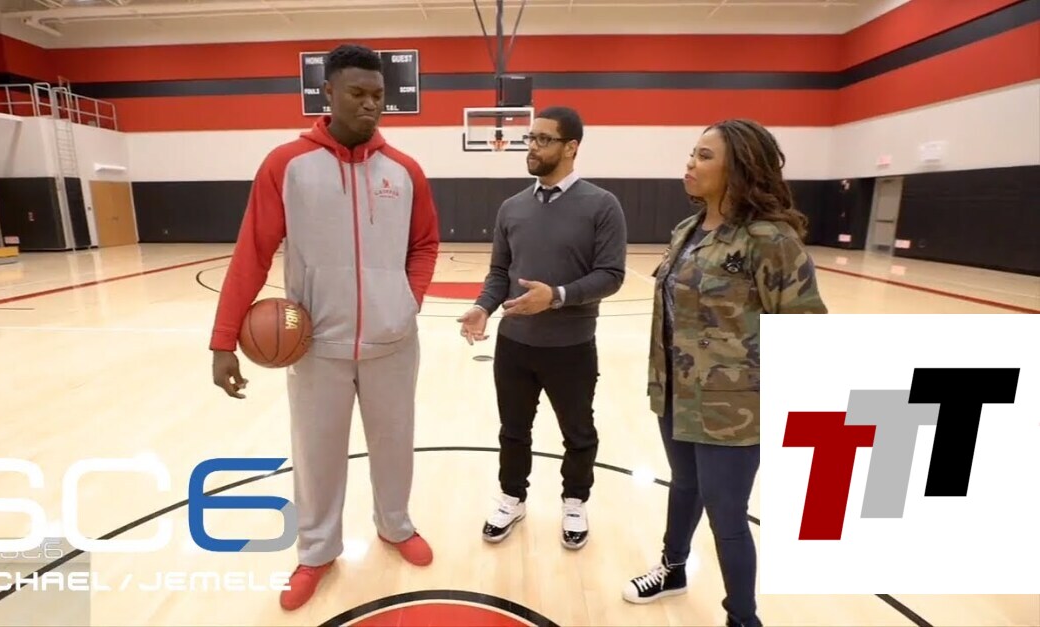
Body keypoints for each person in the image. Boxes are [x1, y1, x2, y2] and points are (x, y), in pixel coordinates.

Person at [208, 43, 441, 612]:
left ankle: (395, 525)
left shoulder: (405, 171)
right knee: (316, 456)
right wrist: (223, 340)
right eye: (357, 93)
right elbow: (251, 253)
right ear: (327, 94)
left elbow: (425, 244)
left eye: (378, 95)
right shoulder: (287, 165)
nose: (370, 104)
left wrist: (405, 302)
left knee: (395, 444)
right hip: (315, 346)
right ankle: (316, 552)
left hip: (393, 342)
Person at [621, 119, 827, 627]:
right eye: (693, 153)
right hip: (676, 392)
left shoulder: (770, 240)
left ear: (739, 168)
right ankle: (672, 570)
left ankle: (742, 618)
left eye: (704, 155)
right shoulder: (685, 231)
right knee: (684, 486)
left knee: (727, 515)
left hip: (733, 408)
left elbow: (805, 329)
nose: (690, 163)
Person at [458, 106, 627, 550]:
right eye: (530, 139)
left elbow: (611, 275)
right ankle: (512, 497)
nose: (532, 147)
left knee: (579, 433)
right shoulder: (511, 207)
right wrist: (483, 306)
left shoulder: (602, 205)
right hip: (514, 345)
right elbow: (500, 272)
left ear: (571, 147)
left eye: (543, 139)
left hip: (572, 346)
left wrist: (556, 296)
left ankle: (575, 501)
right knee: (513, 430)